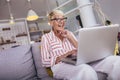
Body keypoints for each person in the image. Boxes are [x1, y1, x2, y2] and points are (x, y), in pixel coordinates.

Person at [41, 10, 120, 80]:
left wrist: (70, 38)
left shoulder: (70, 34)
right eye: (58, 19)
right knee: (86, 71)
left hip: (78, 61)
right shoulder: (46, 37)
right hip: (60, 66)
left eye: (63, 19)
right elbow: (44, 61)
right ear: (51, 22)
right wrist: (65, 55)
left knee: (116, 61)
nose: (62, 22)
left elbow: (82, 50)